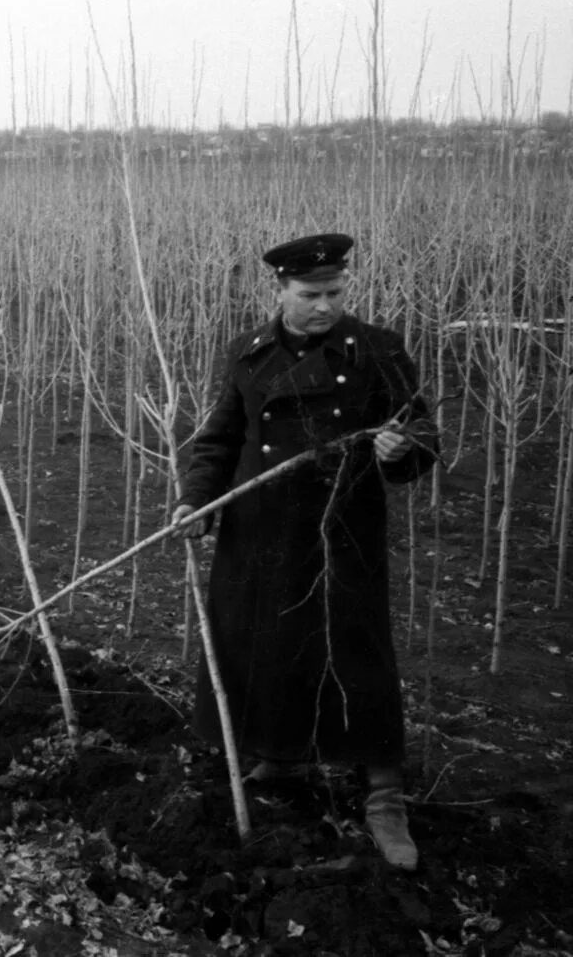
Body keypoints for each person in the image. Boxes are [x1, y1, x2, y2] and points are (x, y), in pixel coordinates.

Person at [170, 233, 437, 870]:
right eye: (311, 295)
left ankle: (383, 795)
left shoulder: (377, 349)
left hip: (340, 527)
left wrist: (401, 451)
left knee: (356, 649)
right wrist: (195, 502)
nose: (325, 306)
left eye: (335, 293)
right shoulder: (249, 353)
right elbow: (220, 438)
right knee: (266, 639)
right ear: (282, 292)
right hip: (258, 527)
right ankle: (281, 758)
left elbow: (421, 427)